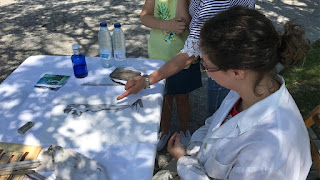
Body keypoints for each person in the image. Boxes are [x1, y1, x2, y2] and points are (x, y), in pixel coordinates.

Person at [162, 6, 312, 180]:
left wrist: (184, 161)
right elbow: (214, 125)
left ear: (237, 72)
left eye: (207, 67)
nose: (205, 72)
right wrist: (192, 151)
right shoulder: (250, 87)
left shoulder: (267, 153)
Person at [117, 0, 255, 117]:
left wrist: (147, 80)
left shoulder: (212, 3)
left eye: (205, 67)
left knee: (221, 117)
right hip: (228, 57)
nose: (205, 70)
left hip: (229, 62)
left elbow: (190, 53)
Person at [140, 0, 202, 151]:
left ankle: (183, 129)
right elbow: (144, 17)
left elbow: (183, 23)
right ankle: (164, 131)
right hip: (158, 56)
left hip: (182, 58)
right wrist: (166, 25)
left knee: (182, 97)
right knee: (165, 98)